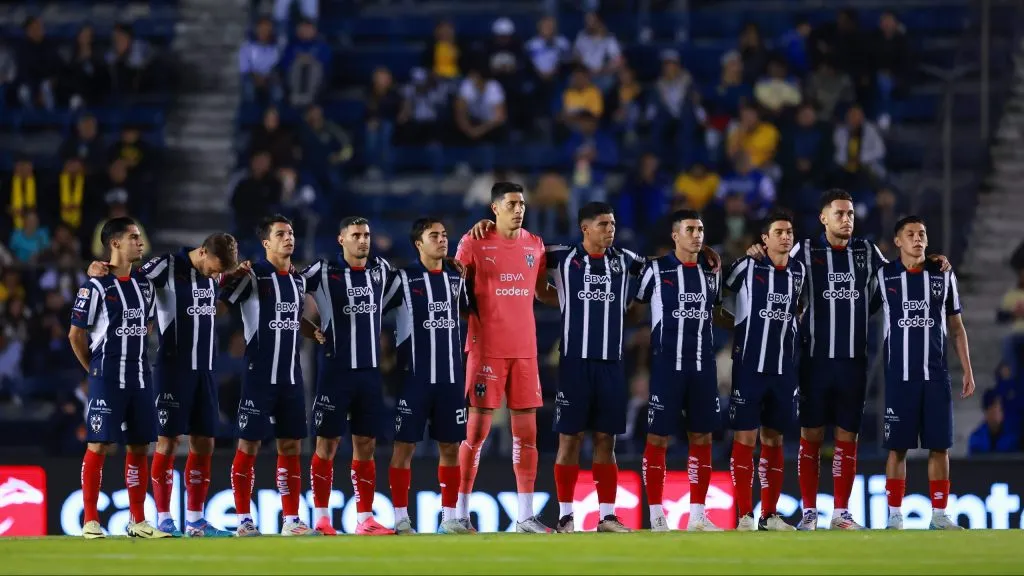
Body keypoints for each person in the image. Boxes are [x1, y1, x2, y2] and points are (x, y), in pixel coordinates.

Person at [746, 189, 950, 530]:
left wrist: (931, 259)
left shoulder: (867, 252)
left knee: (846, 439)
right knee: (811, 437)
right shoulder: (805, 250)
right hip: (814, 361)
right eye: (839, 213)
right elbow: (777, 268)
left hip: (854, 361)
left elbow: (897, 275)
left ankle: (841, 513)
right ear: (823, 218)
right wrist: (758, 252)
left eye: (851, 213)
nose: (847, 219)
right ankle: (809, 513)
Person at [86, 234, 240, 537]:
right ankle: (164, 517)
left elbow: (212, 306)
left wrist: (233, 279)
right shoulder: (166, 266)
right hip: (173, 369)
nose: (215, 274)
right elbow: (128, 278)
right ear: (204, 252)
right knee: (167, 442)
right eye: (214, 268)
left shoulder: (214, 273)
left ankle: (196, 520)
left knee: (205, 442)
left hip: (205, 369)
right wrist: (98, 269)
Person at [454, 182, 554, 533]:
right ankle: (459, 514)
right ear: (494, 208)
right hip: (487, 350)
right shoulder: (473, 242)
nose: (519, 209)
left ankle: (525, 516)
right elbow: (452, 286)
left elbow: (542, 291)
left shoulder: (535, 244)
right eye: (511, 203)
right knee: (476, 432)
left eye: (522, 203)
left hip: (524, 351)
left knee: (527, 434)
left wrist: (576, 301)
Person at [541, 202, 641, 533]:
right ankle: (567, 515)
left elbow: (664, 266)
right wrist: (555, 296)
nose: (610, 230)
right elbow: (524, 256)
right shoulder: (561, 257)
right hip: (574, 363)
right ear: (585, 228)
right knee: (569, 441)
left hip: (611, 364)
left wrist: (708, 255)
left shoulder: (625, 261)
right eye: (602, 224)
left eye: (612, 224)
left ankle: (607, 516)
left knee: (605, 440)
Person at [219, 214, 321, 536]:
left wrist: (314, 331)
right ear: (266, 243)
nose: (288, 238)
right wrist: (229, 275)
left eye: (290, 233)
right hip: (259, 374)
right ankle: (243, 520)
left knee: (290, 446)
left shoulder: (297, 279)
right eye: (280, 234)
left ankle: (291, 520)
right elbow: (222, 299)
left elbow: (292, 318)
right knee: (248, 445)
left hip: (290, 376)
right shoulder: (254, 275)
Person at [69, 217, 170, 539]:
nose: (140, 243)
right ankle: (90, 521)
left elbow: (148, 326)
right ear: (114, 243)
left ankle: (138, 521)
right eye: (133, 238)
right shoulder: (95, 285)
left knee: (139, 447)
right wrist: (94, 371)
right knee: (99, 445)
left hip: (140, 378)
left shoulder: (144, 284)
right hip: (107, 378)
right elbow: (76, 335)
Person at [876, 216, 975, 530]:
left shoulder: (943, 275)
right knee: (897, 448)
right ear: (898, 241)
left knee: (939, 446)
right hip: (899, 377)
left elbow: (957, 328)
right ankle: (894, 516)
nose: (917, 239)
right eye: (910, 234)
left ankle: (939, 515)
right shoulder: (884, 275)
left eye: (922, 233)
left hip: (936, 376)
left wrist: (968, 371)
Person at [637, 210, 732, 532]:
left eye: (701, 229)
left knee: (702, 436)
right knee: (658, 438)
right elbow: (636, 305)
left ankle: (697, 515)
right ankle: (655, 515)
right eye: (690, 229)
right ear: (675, 235)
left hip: (702, 366)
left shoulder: (711, 272)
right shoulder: (656, 269)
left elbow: (716, 310)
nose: (697, 235)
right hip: (667, 366)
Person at [301, 217, 395, 536]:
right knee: (327, 443)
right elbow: (285, 287)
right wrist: (307, 330)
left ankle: (364, 518)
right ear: (342, 240)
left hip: (369, 372)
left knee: (365, 444)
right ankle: (323, 518)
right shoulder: (323, 272)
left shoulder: (381, 269)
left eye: (366, 234)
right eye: (356, 235)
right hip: (335, 370)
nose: (363, 240)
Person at [381, 218, 471, 535]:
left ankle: (448, 518)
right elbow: (372, 311)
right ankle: (401, 518)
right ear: (418, 243)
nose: (442, 240)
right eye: (434, 235)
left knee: (450, 448)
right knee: (404, 448)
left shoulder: (456, 278)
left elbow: (469, 312)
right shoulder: (402, 279)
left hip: (449, 379)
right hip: (414, 379)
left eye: (445, 235)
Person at [724, 209, 807, 531]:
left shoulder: (799, 272)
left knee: (774, 439)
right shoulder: (747, 266)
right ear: (764, 238)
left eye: (789, 232)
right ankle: (744, 514)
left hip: (784, 369)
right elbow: (721, 297)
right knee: (745, 438)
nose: (786, 237)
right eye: (779, 232)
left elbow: (801, 308)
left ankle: (769, 514)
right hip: (749, 367)